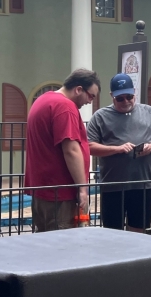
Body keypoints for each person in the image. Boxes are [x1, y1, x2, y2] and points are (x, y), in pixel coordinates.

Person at [87, 74, 151, 233]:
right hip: (113, 186)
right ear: (112, 96)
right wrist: (117, 149)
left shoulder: (149, 112)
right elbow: (89, 146)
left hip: (143, 184)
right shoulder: (100, 116)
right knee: (112, 231)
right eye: (120, 98)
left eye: (129, 97)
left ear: (135, 93)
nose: (126, 101)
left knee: (139, 230)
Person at [25, 69, 99, 232]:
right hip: (60, 193)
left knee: (45, 241)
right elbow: (71, 150)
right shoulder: (65, 107)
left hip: (44, 190)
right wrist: (82, 188)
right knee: (63, 245)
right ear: (78, 89)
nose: (90, 101)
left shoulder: (43, 99)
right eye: (91, 96)